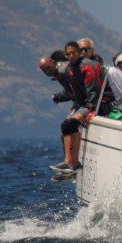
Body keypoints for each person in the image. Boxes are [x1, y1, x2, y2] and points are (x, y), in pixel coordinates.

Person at [50, 40, 107, 175]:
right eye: (68, 53)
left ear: (79, 53)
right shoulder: (72, 68)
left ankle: (74, 164)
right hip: (85, 104)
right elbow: (73, 92)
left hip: (97, 104)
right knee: (65, 128)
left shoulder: (87, 66)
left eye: (74, 52)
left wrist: (88, 109)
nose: (71, 55)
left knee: (69, 126)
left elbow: (93, 92)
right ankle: (69, 162)